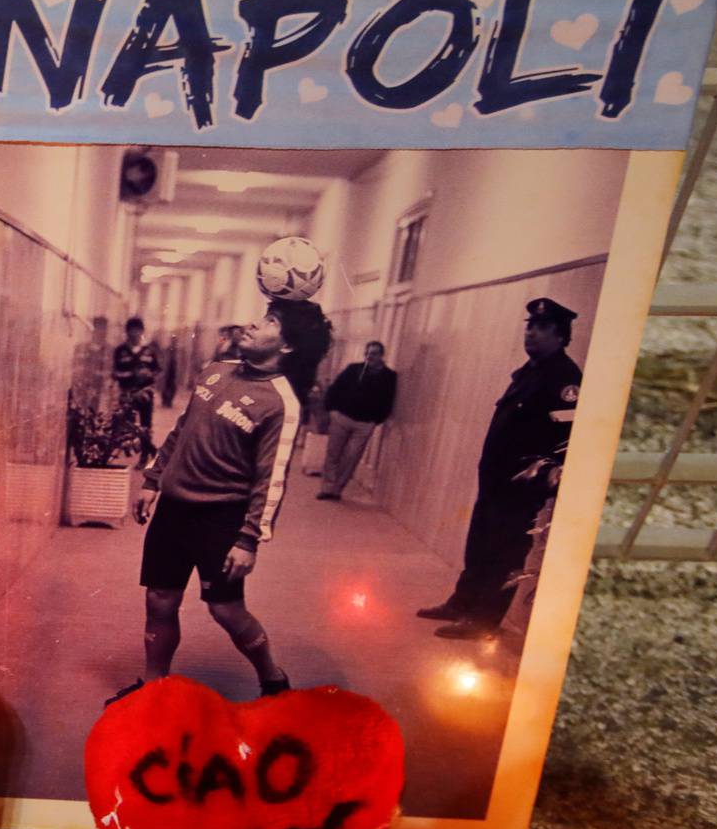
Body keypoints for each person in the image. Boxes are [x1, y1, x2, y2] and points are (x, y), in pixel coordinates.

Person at [122, 299, 333, 700]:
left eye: (269, 322)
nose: (253, 325)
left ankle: (272, 678)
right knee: (159, 599)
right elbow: (183, 430)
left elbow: (271, 479)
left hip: (221, 518)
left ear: (286, 346)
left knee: (225, 610)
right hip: (174, 509)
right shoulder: (216, 371)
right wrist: (152, 479)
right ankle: (153, 687)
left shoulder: (281, 402)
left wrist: (249, 538)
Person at [418, 298, 583, 641]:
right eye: (529, 326)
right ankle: (463, 603)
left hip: (523, 488)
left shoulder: (565, 379)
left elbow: (565, 440)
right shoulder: (529, 373)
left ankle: (483, 621)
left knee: (505, 552)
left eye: (541, 328)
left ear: (561, 336)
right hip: (496, 481)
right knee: (480, 544)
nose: (531, 333)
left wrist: (538, 484)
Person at [316, 340, 398, 500]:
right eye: (367, 353)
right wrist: (331, 409)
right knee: (333, 453)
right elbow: (335, 388)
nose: (369, 357)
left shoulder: (389, 376)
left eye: (373, 353)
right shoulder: (354, 369)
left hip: (365, 423)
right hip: (342, 417)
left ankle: (337, 489)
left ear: (381, 355)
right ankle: (327, 488)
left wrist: (377, 420)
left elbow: (388, 400)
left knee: (352, 456)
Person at [112, 317, 160, 466]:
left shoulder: (149, 351)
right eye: (131, 330)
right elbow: (115, 372)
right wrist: (130, 375)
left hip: (145, 393)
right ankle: (151, 449)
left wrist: (150, 375)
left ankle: (145, 456)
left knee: (146, 425)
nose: (134, 333)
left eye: (137, 330)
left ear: (142, 331)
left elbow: (158, 370)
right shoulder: (120, 351)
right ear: (127, 332)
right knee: (126, 426)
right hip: (127, 393)